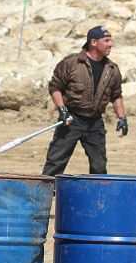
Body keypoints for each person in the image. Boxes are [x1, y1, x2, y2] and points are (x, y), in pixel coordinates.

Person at [41, 26, 128, 176]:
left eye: (111, 40)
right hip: (71, 120)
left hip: (95, 123)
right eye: (106, 40)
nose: (110, 44)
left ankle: (96, 197)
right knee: (56, 161)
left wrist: (122, 118)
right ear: (93, 42)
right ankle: (45, 194)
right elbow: (55, 87)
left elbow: (116, 96)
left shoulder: (112, 69)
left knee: (99, 166)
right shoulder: (72, 63)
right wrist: (62, 110)